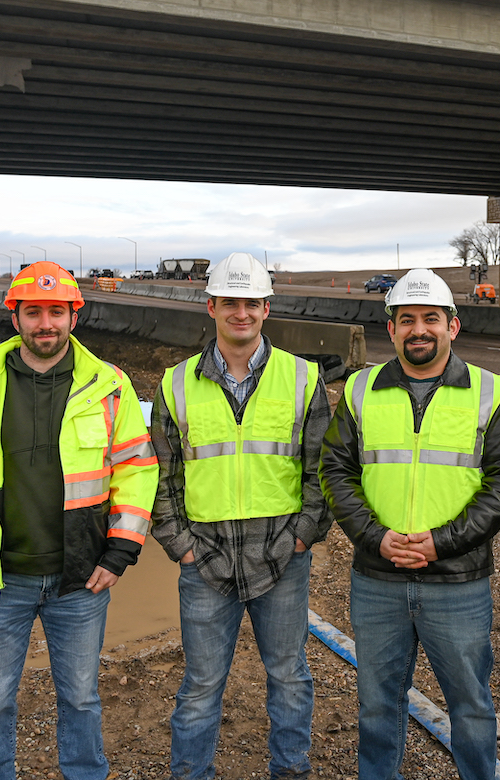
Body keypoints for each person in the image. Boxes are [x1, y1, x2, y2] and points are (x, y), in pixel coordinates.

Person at [0, 261, 158, 780]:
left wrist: (120, 552)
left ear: (74, 315)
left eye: (55, 312)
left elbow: (136, 472)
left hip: (81, 580)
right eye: (33, 313)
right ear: (15, 317)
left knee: (81, 700)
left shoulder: (111, 387)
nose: (45, 324)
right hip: (0, 581)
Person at [320, 268, 500, 780]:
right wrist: (375, 538)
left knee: (472, 707)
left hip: (458, 581)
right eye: (406, 319)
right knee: (377, 706)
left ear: (452, 326)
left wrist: (441, 543)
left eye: (430, 318)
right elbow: (335, 470)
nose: (419, 330)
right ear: (390, 330)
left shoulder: (488, 392)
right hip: (377, 578)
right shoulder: (359, 391)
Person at [150, 252, 332, 780]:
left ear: (266, 308)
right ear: (211, 306)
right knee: (202, 684)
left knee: (290, 677)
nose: (241, 313)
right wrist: (180, 544)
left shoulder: (301, 378)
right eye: (230, 302)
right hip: (203, 560)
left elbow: (321, 469)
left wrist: (302, 536)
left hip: (282, 556)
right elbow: (161, 477)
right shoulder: (176, 383)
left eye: (251, 303)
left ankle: (290, 772)